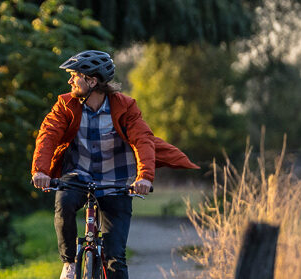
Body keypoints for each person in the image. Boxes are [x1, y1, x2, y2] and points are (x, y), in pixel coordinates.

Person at [29, 50, 197, 279]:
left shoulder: (125, 107)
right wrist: (40, 171)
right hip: (77, 175)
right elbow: (48, 135)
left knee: (115, 257)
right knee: (64, 204)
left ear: (92, 80)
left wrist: (144, 177)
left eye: (74, 75)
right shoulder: (66, 104)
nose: (70, 81)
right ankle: (68, 262)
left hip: (116, 181)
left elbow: (143, 140)